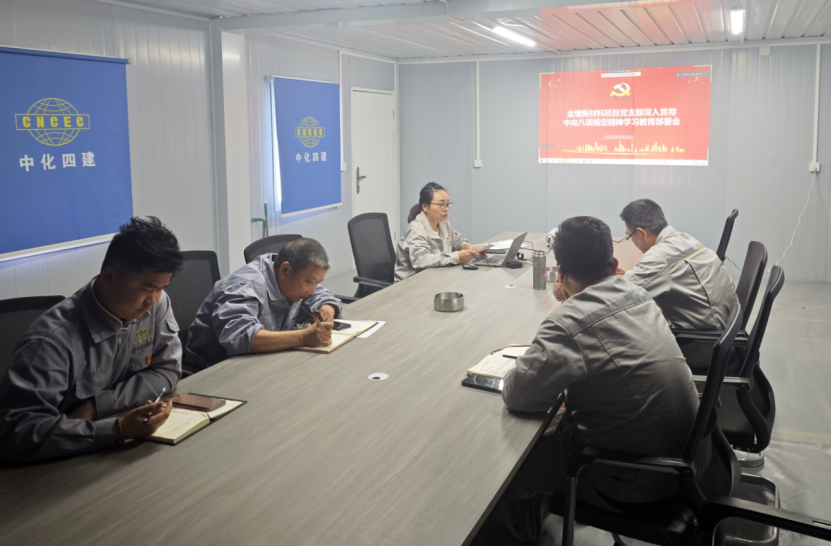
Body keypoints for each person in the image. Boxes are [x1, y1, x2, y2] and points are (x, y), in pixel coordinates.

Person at [496, 216, 701, 542]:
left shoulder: (567, 323)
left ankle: (522, 533)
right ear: (614, 264)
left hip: (629, 482)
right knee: (557, 422)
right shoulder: (640, 295)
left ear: (560, 273)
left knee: (508, 461)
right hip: (687, 465)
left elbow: (519, 397)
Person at [0, 217, 183, 463]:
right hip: (54, 464)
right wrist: (117, 429)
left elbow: (167, 369)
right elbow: (17, 433)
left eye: (161, 288)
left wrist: (97, 406)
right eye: (146, 289)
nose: (153, 300)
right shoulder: (51, 340)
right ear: (109, 277)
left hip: (113, 449)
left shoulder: (156, 305)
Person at [185, 238, 342, 370]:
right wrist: (303, 337)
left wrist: (327, 309)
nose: (312, 290)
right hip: (215, 369)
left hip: (262, 360)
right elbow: (240, 337)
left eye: (317, 282)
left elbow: (322, 295)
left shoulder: (294, 277)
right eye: (310, 282)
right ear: (285, 270)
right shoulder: (245, 285)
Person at [616, 199, 739, 331]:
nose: (630, 241)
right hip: (722, 319)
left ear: (641, 233)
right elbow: (664, 270)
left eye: (629, 237)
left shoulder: (659, 256)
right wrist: (627, 274)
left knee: (622, 319)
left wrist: (607, 276)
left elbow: (621, 295)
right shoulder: (684, 239)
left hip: (704, 333)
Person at [394, 182, 484, 282]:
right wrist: (457, 256)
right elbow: (421, 260)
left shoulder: (444, 224)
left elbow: (457, 242)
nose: (446, 209)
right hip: (411, 283)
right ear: (425, 206)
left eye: (448, 204)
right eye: (441, 204)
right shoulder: (416, 229)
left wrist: (472, 248)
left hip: (435, 277)